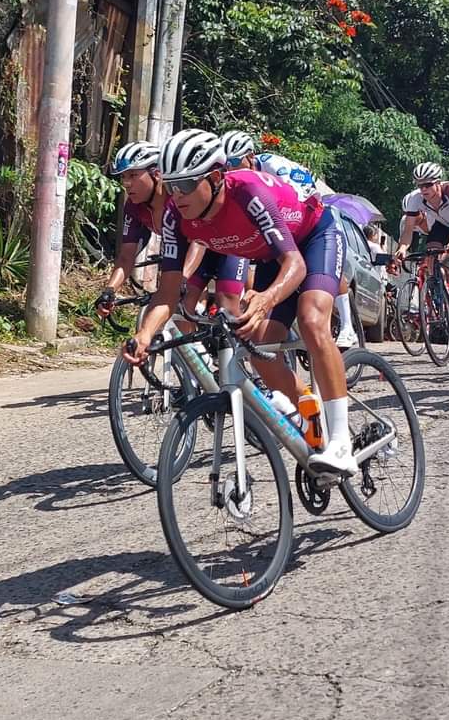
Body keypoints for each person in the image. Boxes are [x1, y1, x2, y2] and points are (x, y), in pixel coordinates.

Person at [124, 129, 356, 475]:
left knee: (311, 320)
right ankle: (307, 412)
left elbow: (295, 265)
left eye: (186, 184)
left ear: (216, 178)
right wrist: (145, 335)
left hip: (314, 237)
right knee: (258, 345)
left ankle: (341, 442)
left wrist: (266, 299)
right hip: (269, 256)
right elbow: (168, 292)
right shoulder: (175, 215)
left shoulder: (248, 192)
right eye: (171, 186)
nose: (177, 195)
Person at [220, 130, 360, 348]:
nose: (230, 169)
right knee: (260, 341)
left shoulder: (275, 166)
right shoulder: (229, 184)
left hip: (310, 230)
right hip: (278, 244)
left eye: (235, 162)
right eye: (225, 165)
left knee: (313, 321)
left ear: (250, 156)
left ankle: (347, 327)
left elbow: (300, 200)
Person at [95, 141, 247, 320]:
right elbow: (126, 257)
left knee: (228, 306)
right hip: (192, 256)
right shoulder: (134, 207)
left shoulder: (179, 199)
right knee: (181, 311)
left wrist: (181, 279)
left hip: (224, 247)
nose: (126, 183)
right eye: (123, 177)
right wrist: (109, 291)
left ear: (157, 174)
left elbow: (198, 242)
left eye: (133, 175)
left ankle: (250, 334)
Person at [392, 162, 449, 262]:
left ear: (438, 182)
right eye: (420, 185)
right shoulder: (415, 198)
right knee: (431, 254)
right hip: (442, 226)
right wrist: (402, 249)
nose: (423, 189)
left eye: (428, 185)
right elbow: (408, 230)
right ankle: (435, 272)